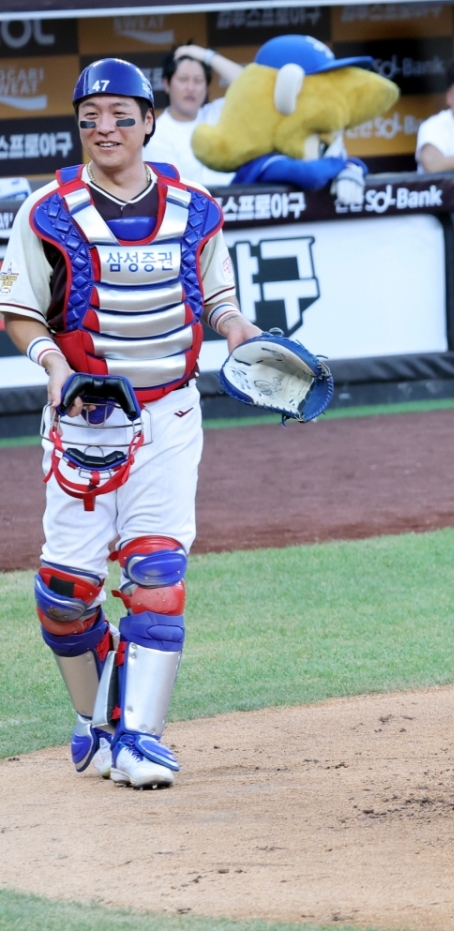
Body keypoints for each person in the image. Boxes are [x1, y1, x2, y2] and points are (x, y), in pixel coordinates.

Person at [0, 58, 261, 790]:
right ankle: (96, 716)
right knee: (64, 593)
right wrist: (54, 364)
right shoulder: (46, 211)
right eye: (90, 118)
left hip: (170, 413)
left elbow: (217, 295)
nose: (105, 128)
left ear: (149, 121)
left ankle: (139, 738)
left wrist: (237, 327)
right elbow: (20, 312)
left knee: (157, 573)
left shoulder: (196, 208)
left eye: (121, 116)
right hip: (83, 420)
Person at [143, 44, 244, 187]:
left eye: (198, 80)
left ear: (206, 86)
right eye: (183, 79)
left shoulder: (218, 112)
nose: (190, 88)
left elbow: (250, 85)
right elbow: (174, 191)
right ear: (166, 84)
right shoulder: (157, 135)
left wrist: (206, 56)